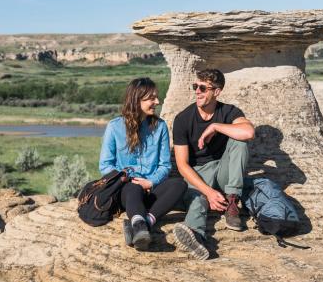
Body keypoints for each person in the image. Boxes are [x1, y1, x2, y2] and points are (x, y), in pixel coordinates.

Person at [172, 69, 255, 260]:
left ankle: (232, 202)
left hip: (223, 171)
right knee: (198, 199)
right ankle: (196, 236)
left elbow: (248, 132)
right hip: (198, 172)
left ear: (216, 92)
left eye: (203, 87)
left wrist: (215, 126)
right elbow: (182, 165)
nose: (197, 91)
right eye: (195, 87)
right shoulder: (183, 119)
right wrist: (208, 192)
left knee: (239, 141)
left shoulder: (228, 111)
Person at [99, 77, 187, 251]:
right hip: (126, 189)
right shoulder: (114, 127)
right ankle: (140, 226)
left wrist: (151, 182)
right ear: (136, 99)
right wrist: (129, 179)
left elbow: (164, 166)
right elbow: (105, 165)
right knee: (133, 189)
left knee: (179, 185)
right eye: (151, 98)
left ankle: (143, 223)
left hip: (152, 189)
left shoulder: (160, 127)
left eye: (156, 97)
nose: (157, 102)